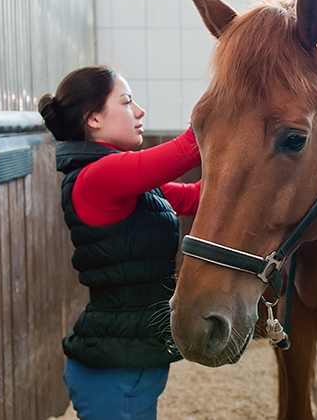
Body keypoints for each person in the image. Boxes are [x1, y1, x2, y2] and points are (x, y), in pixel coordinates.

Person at [38, 65, 201, 420]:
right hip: (114, 374)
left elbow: (192, 199)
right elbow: (187, 151)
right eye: (127, 102)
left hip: (127, 361)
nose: (140, 111)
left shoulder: (120, 176)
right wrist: (232, 99)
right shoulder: (99, 176)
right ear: (93, 118)